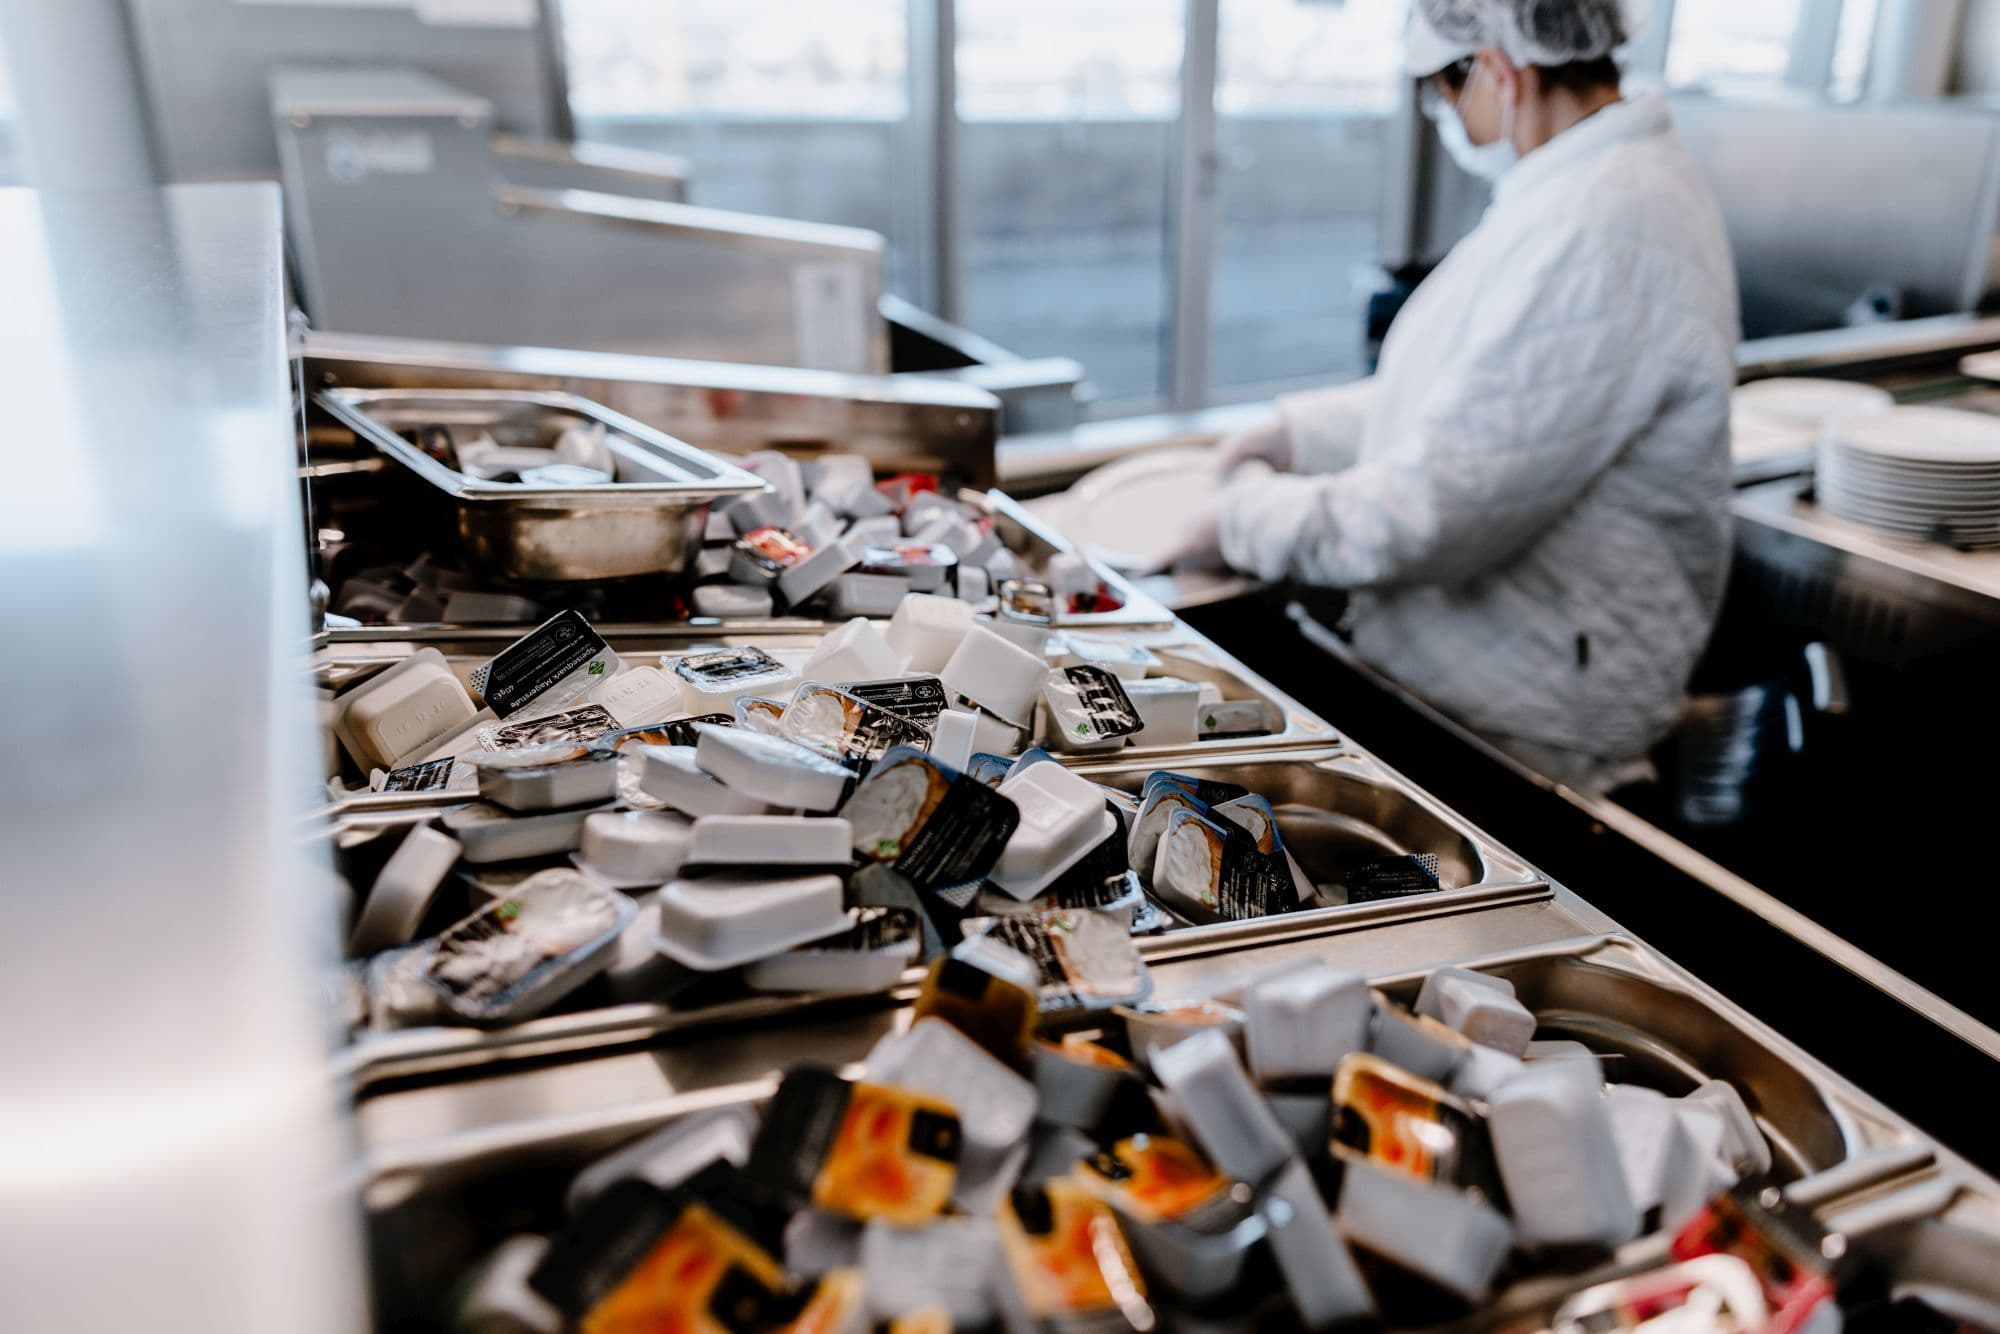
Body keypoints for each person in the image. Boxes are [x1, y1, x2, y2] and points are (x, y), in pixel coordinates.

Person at [1167, 0, 1738, 794]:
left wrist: (1239, 520)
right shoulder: (1582, 188)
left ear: (1500, 71)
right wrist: (1299, 436)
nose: (1444, 114)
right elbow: (1484, 396)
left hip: (1529, 732)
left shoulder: (1605, 224)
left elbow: (1435, 510)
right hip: (1489, 683)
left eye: (1442, 92)